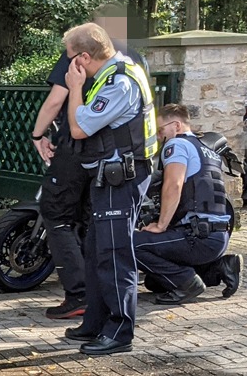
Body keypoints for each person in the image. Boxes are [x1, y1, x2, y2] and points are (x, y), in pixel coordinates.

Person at [30, 3, 148, 319]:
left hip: (81, 152)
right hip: (106, 162)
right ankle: (96, 305)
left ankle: (80, 294)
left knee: (56, 213)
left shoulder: (84, 59)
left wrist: (38, 134)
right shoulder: (132, 60)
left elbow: (60, 104)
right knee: (92, 224)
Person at [59, 23, 157, 355]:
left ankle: (119, 331)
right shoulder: (112, 72)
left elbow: (78, 127)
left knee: (114, 254)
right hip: (110, 175)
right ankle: (96, 322)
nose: (69, 64)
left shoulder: (120, 82)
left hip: (122, 177)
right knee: (96, 249)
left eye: (71, 58)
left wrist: (74, 87)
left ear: (84, 57)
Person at [133, 104, 242, 305]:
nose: (158, 136)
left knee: (131, 245)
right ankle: (219, 267)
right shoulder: (205, 148)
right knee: (154, 282)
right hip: (216, 236)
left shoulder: (177, 146)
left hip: (197, 237)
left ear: (175, 125)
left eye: (160, 130)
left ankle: (187, 284)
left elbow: (173, 185)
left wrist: (161, 225)